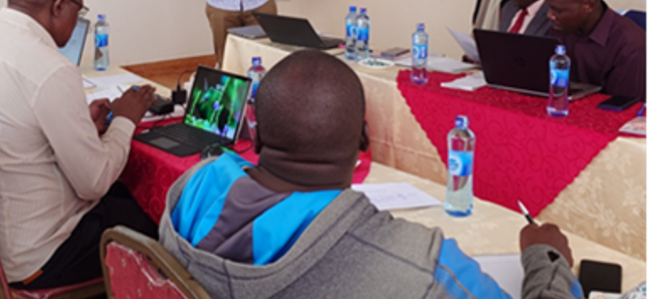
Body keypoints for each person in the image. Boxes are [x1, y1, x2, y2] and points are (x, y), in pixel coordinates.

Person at [159, 50, 583, 299]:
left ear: (255, 129)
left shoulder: (191, 189)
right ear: (365, 139)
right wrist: (546, 262)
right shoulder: (422, 268)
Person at [0, 0, 158, 289]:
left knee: (127, 200)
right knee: (161, 226)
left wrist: (80, 123)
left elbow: (17, 128)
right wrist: (125, 121)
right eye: (79, 11)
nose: (77, 23)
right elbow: (94, 183)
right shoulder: (51, 68)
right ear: (59, 5)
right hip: (41, 255)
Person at [545, 0, 647, 100]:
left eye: (557, 10)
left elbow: (623, 106)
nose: (549, 15)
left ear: (588, 6)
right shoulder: (561, 28)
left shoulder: (628, 44)